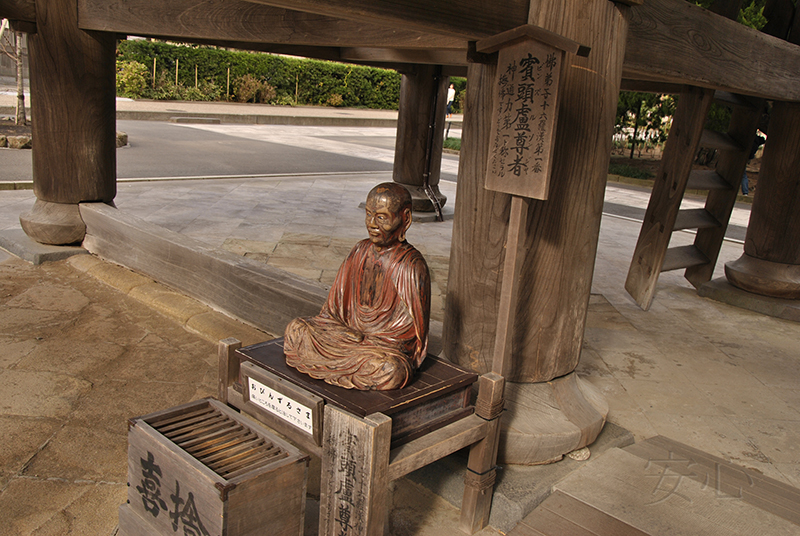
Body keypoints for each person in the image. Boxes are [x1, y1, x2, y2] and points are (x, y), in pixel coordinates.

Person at [283, 183, 431, 390]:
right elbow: (331, 312)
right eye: (369, 214)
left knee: (392, 370)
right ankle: (338, 360)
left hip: (378, 347)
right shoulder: (360, 250)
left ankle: (337, 364)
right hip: (346, 337)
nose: (371, 223)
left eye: (381, 217)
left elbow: (409, 337)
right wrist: (346, 333)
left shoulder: (410, 265)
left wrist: (366, 338)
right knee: (296, 329)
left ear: (405, 219)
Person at [742, 131, 766, 196]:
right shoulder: (756, 143)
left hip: (741, 156)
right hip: (747, 158)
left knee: (742, 174)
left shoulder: (749, 139)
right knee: (743, 175)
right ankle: (745, 192)